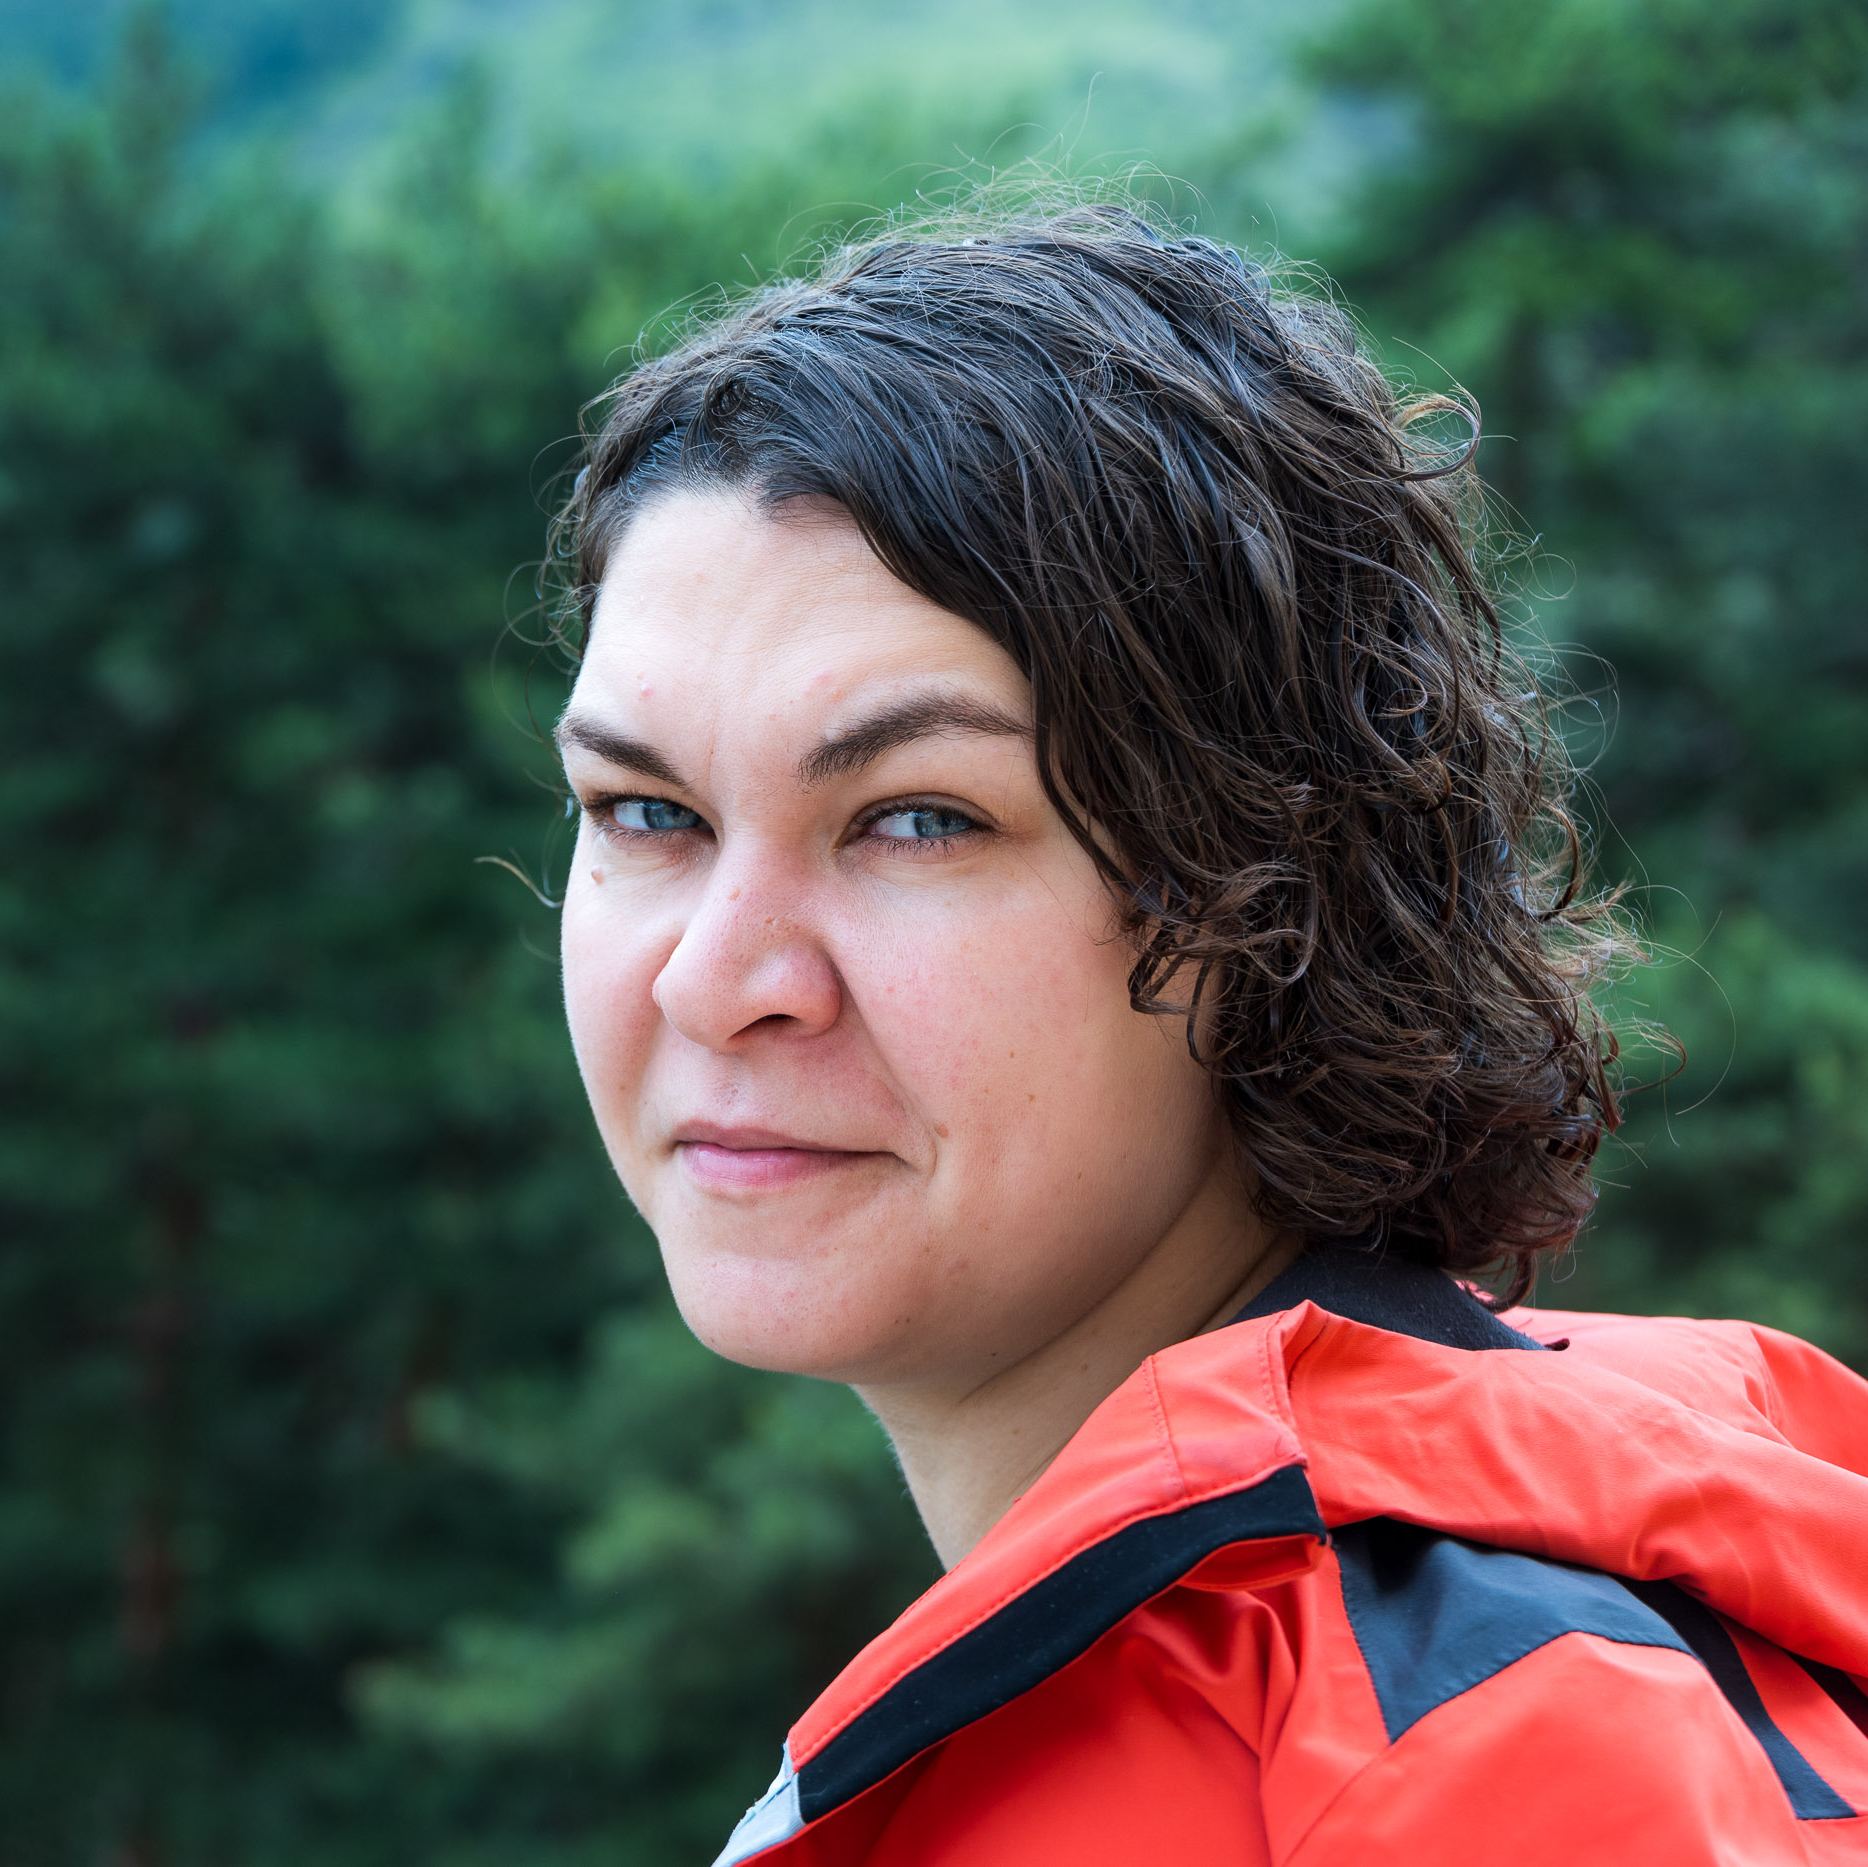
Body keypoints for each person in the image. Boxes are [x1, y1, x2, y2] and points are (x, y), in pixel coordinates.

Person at [545, 204, 1868, 1865]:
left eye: (919, 820)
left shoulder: (1484, 1751)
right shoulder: (1192, 1662)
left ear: (1268, 893)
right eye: (647, 811)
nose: (714, 978)